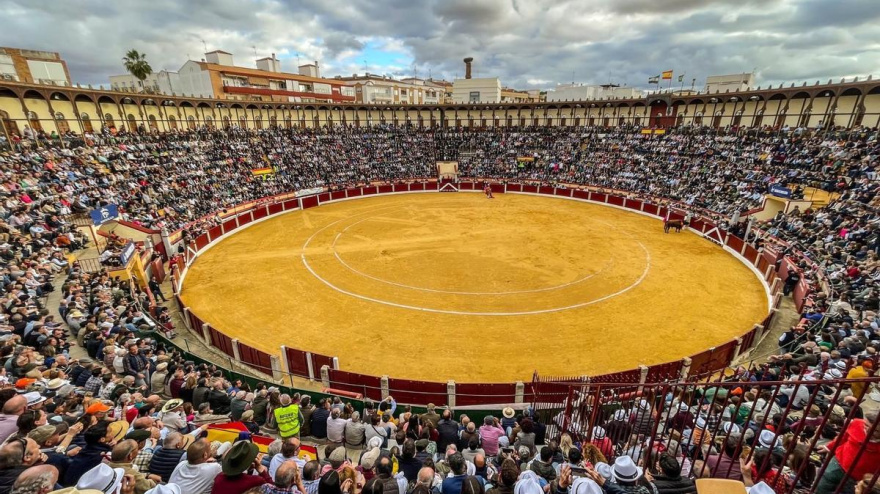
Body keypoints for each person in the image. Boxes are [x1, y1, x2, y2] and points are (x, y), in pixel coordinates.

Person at [815, 410, 880, 493]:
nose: (868, 431)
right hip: (838, 463)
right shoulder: (856, 423)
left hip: (858, 478)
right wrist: (830, 447)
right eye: (866, 425)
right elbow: (843, 437)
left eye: (875, 430)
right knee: (822, 486)